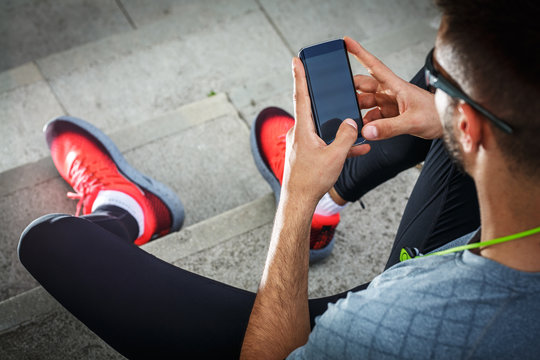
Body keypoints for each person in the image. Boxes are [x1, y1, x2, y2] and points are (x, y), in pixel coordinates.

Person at [17, 0, 539, 358]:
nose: (433, 87)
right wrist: (439, 109)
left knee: (51, 242)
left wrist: (297, 196)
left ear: (469, 129)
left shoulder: (402, 327)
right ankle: (333, 196)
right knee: (489, 68)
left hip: (348, 326)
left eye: (445, 92)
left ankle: (126, 207)